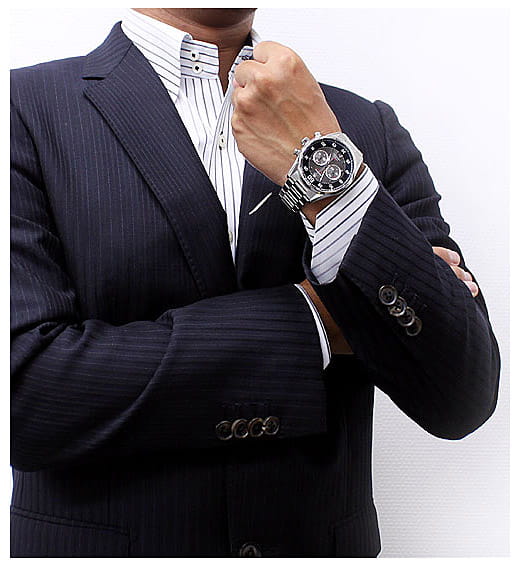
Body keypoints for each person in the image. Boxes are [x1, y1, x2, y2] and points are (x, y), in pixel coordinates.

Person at [10, 8, 500, 557]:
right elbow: (24, 395)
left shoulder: (363, 128)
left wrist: (330, 179)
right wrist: (315, 322)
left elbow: (462, 395)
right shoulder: (21, 110)